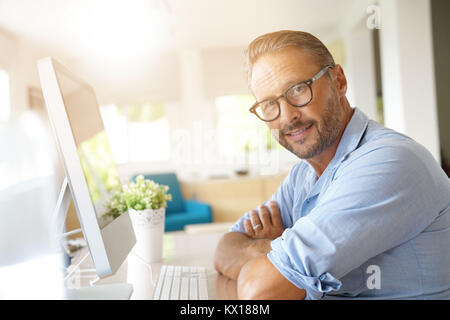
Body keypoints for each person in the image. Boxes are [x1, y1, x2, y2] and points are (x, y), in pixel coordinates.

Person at [213, 30, 450, 300]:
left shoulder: (390, 162)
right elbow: (224, 250)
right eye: (269, 104)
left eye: (298, 89)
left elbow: (259, 290)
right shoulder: (302, 175)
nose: (288, 116)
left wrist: (274, 254)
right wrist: (277, 248)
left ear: (338, 81)